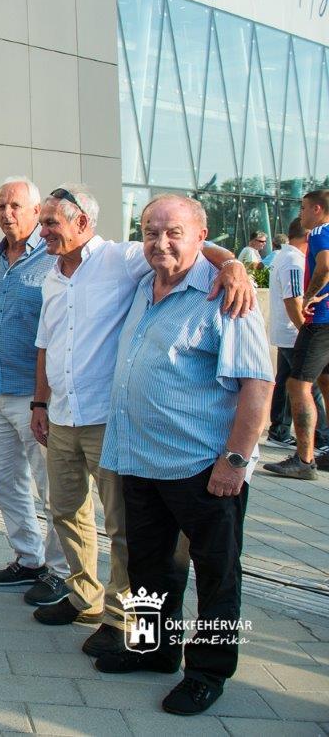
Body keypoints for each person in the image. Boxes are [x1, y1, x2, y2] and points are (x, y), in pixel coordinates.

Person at [30, 184, 251, 659]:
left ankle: (127, 624)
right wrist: (40, 403)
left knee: (148, 544)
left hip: (131, 433)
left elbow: (181, 245)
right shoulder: (52, 275)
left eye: (51, 222)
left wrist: (231, 263)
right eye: (42, 222)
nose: (42, 230)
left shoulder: (122, 260)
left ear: (82, 223)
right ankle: (100, 608)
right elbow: (45, 344)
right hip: (78, 420)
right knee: (72, 515)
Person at [94, 194, 272, 717]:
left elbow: (258, 383)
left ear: (201, 236)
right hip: (140, 460)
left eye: (174, 232)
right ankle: (154, 649)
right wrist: (229, 254)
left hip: (203, 469)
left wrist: (235, 461)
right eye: (151, 231)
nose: (161, 242)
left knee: (217, 575)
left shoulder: (224, 295)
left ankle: (207, 673)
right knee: (151, 569)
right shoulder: (141, 286)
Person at [0, 179, 71, 607]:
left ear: (37, 211)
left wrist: (227, 262)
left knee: (52, 489)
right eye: (1, 205)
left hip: (36, 397)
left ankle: (62, 571)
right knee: (6, 483)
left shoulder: (55, 254)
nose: (7, 213)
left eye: (16, 205)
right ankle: (28, 559)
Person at [269, 189, 329, 479]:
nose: (301, 213)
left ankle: (304, 461)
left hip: (321, 321)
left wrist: (308, 297)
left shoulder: (319, 232)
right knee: (326, 384)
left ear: (317, 209)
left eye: (304, 207)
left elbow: (325, 266)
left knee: (298, 385)